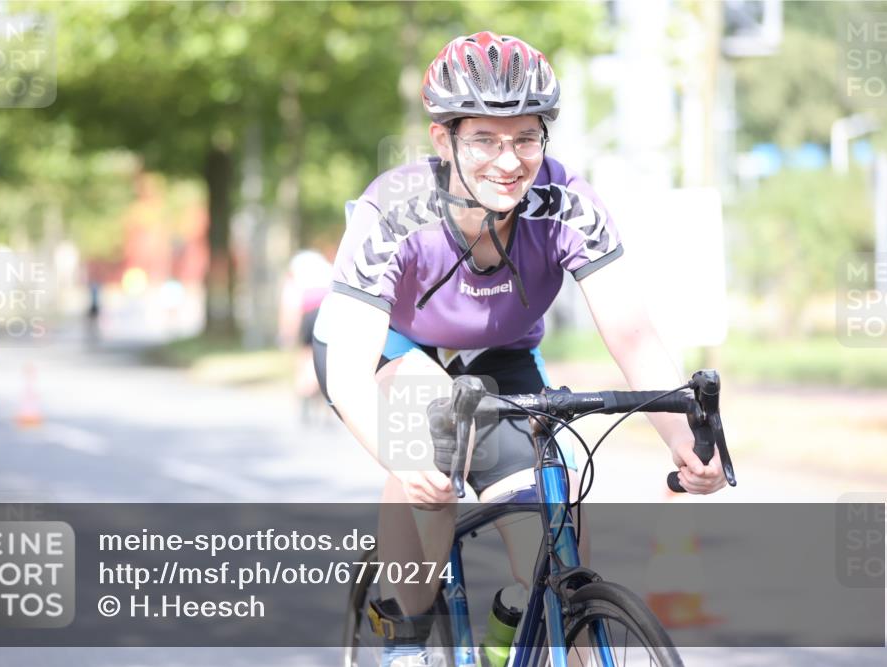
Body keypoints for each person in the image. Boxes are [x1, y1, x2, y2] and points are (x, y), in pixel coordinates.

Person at [312, 32, 727, 666]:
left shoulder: (567, 205)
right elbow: (346, 368)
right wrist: (405, 456)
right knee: (427, 430)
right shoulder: (393, 211)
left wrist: (680, 438)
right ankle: (403, 634)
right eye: (484, 139)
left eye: (526, 139)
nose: (509, 161)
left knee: (552, 542)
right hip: (382, 352)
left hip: (498, 357)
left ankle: (521, 626)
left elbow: (632, 333)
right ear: (443, 140)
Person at [278, 249, 333, 421]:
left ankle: (305, 394)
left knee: (305, 357)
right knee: (326, 357)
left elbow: (290, 304)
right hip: (328, 308)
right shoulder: (327, 269)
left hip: (309, 312)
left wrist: (287, 333)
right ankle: (325, 398)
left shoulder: (295, 276)